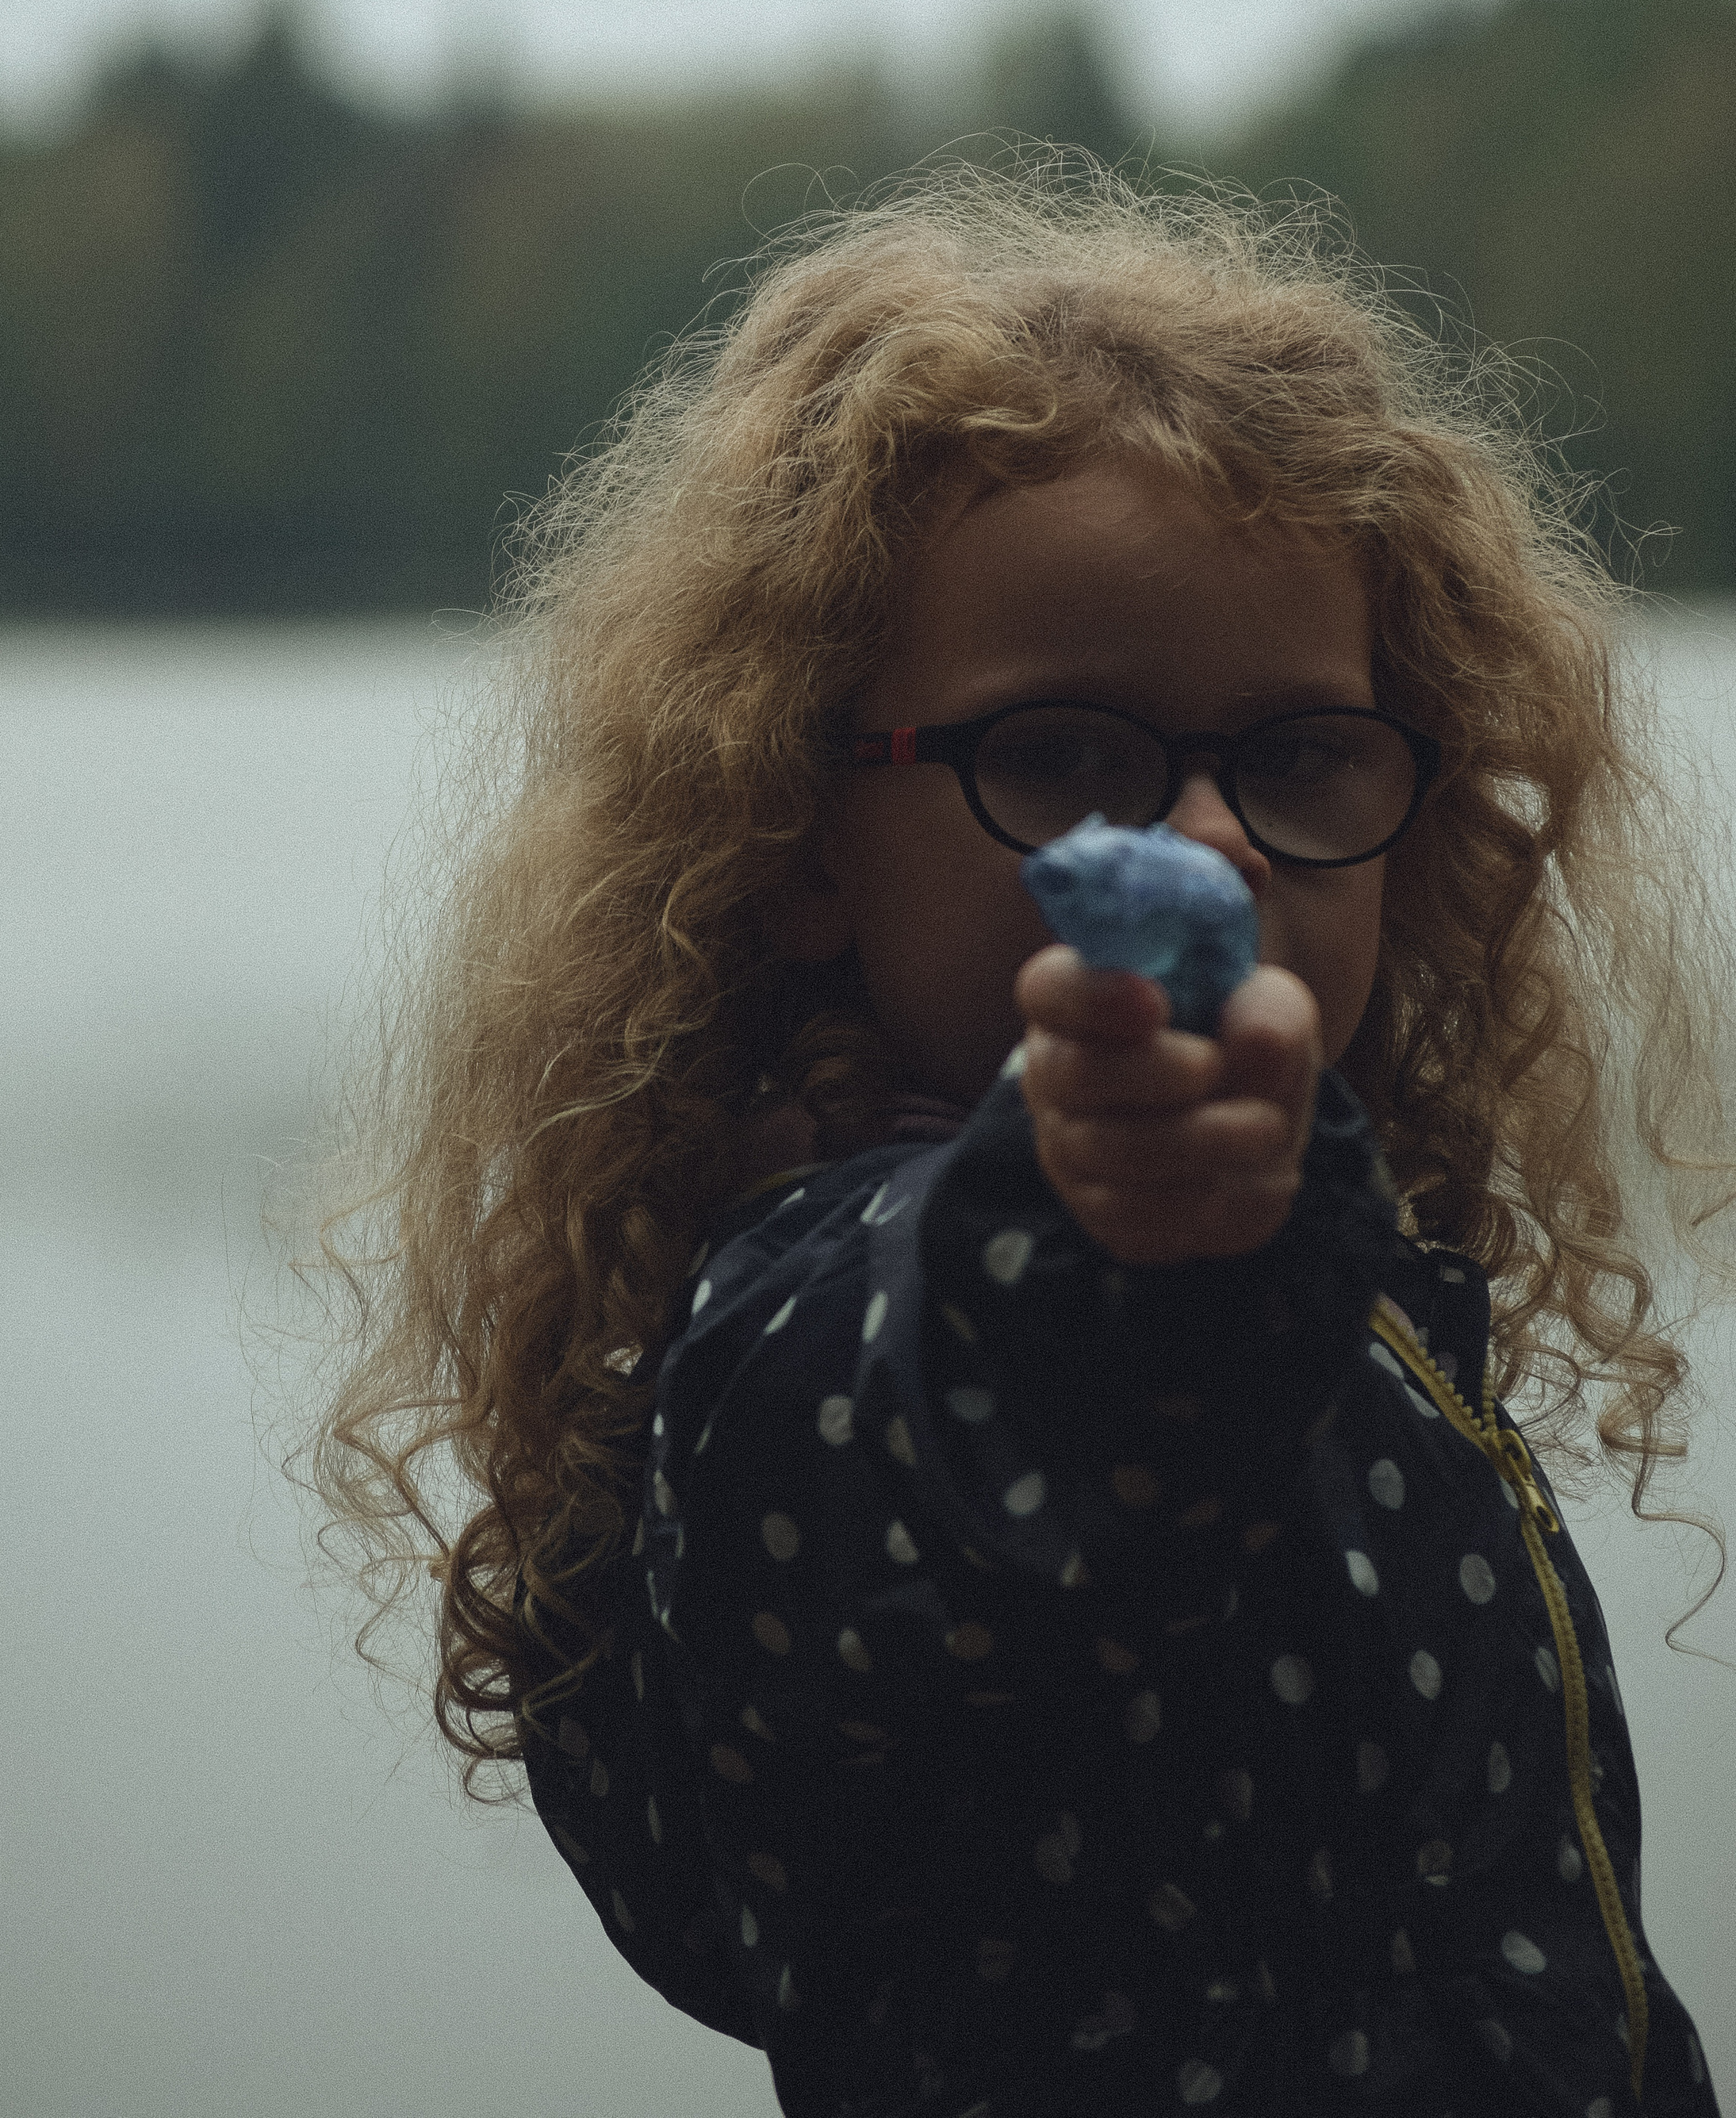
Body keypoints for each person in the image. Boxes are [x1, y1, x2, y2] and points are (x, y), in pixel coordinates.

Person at [309, 169, 1730, 2114]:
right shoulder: (810, 1319)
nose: (1209, 849)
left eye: (1300, 754)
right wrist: (1107, 1243)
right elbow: (1004, 1412)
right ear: (798, 836)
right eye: (1062, 751)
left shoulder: (1315, 1241)